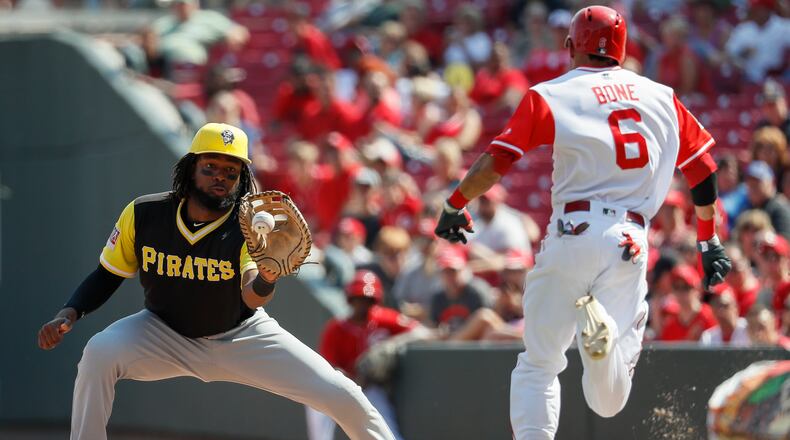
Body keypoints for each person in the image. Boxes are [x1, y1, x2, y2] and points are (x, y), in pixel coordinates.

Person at [433, 6, 731, 439]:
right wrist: (707, 241)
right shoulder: (661, 96)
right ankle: (602, 343)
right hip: (630, 239)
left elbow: (496, 161)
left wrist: (455, 203)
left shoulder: (552, 93)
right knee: (608, 402)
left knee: (539, 364)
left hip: (573, 231)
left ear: (570, 46)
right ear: (623, 49)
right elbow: (702, 170)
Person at [36, 123, 395, 440]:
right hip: (163, 334)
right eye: (210, 167)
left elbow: (252, 297)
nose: (220, 176)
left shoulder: (248, 226)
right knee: (99, 353)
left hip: (242, 336)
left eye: (231, 171)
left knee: (343, 394)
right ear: (190, 168)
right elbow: (108, 274)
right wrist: (69, 312)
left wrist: (267, 277)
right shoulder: (145, 214)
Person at [308, 270, 426, 440]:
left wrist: (392, 344)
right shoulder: (335, 328)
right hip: (340, 385)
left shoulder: (384, 319)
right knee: (316, 402)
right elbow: (327, 368)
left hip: (370, 387)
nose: (363, 304)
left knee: (386, 426)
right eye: (358, 298)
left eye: (368, 299)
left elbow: (421, 332)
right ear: (350, 299)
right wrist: (345, 380)